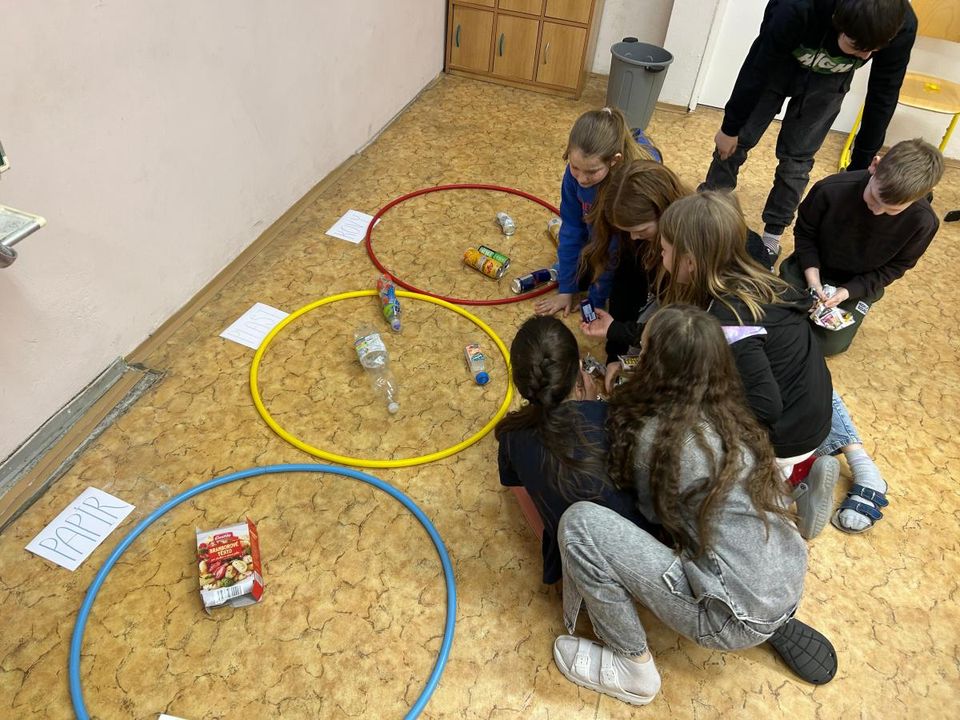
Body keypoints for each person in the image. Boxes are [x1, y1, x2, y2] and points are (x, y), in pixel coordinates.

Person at [552, 305, 837, 707]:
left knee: (580, 525)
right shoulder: (736, 414)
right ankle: (764, 616)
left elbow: (650, 516)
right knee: (717, 519)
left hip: (729, 616)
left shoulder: (658, 439)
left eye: (643, 350)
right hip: (785, 580)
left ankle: (632, 666)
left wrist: (598, 407)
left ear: (652, 365)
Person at [656, 191, 838, 538]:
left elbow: (765, 406)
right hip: (813, 414)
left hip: (786, 437)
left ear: (690, 261)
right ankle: (798, 471)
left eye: (664, 250)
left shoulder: (729, 320)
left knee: (698, 453)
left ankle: (781, 498)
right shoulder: (758, 279)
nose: (660, 256)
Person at [701, 0, 916, 264]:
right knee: (736, 142)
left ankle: (772, 237)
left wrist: (860, 169)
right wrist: (730, 127)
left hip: (829, 79)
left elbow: (883, 95)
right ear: (839, 21)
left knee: (797, 159)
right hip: (778, 64)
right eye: (857, 46)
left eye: (874, 50)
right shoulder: (796, 8)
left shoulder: (902, 25)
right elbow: (758, 66)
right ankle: (708, 211)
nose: (864, 57)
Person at [495, 316, 658, 585]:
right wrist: (590, 404)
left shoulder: (511, 436)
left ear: (522, 385)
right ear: (580, 370)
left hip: (575, 562)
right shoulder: (615, 416)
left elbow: (522, 493)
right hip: (642, 555)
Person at [779, 138, 943, 355]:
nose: (877, 211)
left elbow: (896, 267)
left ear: (922, 194)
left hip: (860, 284)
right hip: (810, 266)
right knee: (773, 313)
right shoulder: (830, 189)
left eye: (892, 210)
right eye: (874, 197)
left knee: (829, 345)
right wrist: (813, 280)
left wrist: (847, 292)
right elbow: (805, 234)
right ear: (874, 165)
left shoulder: (923, 222)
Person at [534, 107, 657, 317]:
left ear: (614, 160)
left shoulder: (627, 185)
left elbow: (613, 247)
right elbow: (571, 228)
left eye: (592, 171)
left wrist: (595, 300)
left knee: (623, 302)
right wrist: (566, 289)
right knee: (577, 272)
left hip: (631, 246)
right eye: (575, 167)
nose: (582, 179)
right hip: (599, 237)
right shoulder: (574, 176)